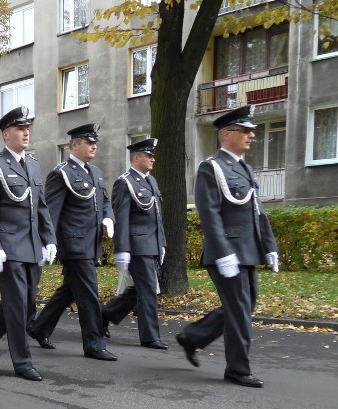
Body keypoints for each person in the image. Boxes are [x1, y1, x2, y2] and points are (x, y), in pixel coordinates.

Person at [176, 106, 279, 388]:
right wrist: (223, 253)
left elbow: (257, 211)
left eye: (252, 131)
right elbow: (209, 214)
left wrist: (269, 245)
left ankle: (193, 337)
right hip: (227, 254)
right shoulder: (211, 167)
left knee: (243, 307)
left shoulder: (243, 167)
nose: (251, 135)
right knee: (239, 311)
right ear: (226, 134)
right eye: (245, 130)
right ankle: (237, 368)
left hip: (247, 251)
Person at [0, 107, 56, 381]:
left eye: (27, 128)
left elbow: (41, 206)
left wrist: (48, 239)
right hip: (8, 247)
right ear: (6, 134)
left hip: (31, 245)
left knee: (26, 304)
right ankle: (22, 361)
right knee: (18, 303)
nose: (26, 132)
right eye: (20, 129)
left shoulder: (32, 164)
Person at [30, 123, 117, 361]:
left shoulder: (95, 172)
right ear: (75, 145)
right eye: (89, 142)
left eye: (95, 143)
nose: (94, 146)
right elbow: (50, 211)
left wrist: (108, 217)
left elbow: (105, 201)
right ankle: (94, 343)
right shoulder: (62, 173)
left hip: (91, 244)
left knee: (68, 291)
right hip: (74, 244)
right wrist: (47, 241)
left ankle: (40, 328)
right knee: (89, 293)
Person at [99, 138, 168, 349]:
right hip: (137, 246)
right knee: (147, 290)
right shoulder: (124, 182)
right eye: (148, 155)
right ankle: (150, 336)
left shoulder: (151, 181)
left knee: (138, 289)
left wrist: (162, 243)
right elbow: (121, 218)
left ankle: (102, 316)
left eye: (153, 155)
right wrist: (122, 250)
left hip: (152, 244)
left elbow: (157, 216)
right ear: (136, 157)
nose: (152, 159)